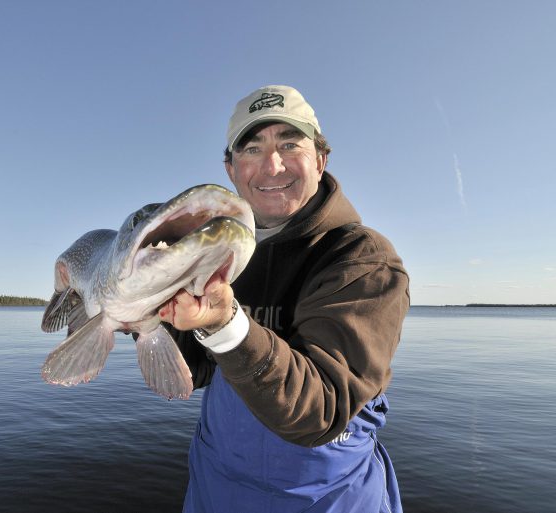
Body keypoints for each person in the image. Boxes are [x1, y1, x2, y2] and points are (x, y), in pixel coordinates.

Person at [157, 85, 410, 513]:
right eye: (252, 149)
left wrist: (225, 324)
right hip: (214, 491)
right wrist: (149, 307)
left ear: (320, 159)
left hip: (330, 499)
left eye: (290, 144)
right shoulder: (220, 253)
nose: (272, 165)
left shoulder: (361, 258)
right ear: (231, 169)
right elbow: (198, 370)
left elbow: (324, 408)